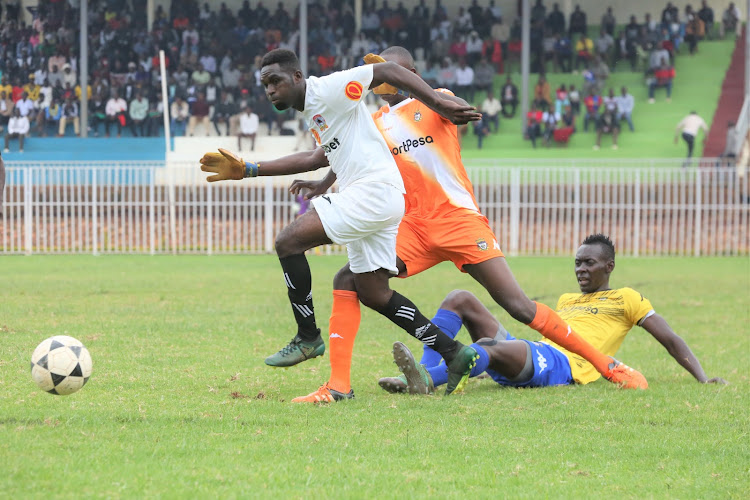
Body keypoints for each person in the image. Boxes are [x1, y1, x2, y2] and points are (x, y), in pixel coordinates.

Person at [283, 47, 647, 402]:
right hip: (412, 227)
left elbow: (447, 106)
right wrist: (322, 184)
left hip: (459, 220)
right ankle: (337, 386)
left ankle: (607, 365)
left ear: (411, 74)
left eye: (390, 69)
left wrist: (447, 106)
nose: (382, 78)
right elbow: (339, 153)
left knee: (519, 306)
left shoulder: (436, 99)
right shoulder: (375, 122)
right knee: (350, 279)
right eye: (379, 70)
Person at [199, 48, 483, 400]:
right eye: (265, 84)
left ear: (298, 78)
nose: (270, 89)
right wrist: (249, 169)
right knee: (374, 293)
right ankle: (454, 353)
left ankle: (307, 337)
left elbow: (389, 71)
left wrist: (439, 103)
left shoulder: (330, 88)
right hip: (377, 197)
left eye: (276, 81)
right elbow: (313, 157)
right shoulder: (316, 111)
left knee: (288, 241)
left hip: (373, 193)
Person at [379, 234, 727, 395]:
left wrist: (701, 376)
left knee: (487, 345)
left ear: (609, 266)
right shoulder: (566, 299)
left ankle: (428, 381)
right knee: (460, 297)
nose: (580, 269)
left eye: (588, 263)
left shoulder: (627, 298)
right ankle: (425, 371)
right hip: (537, 352)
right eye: (577, 263)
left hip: (563, 367)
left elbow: (669, 337)